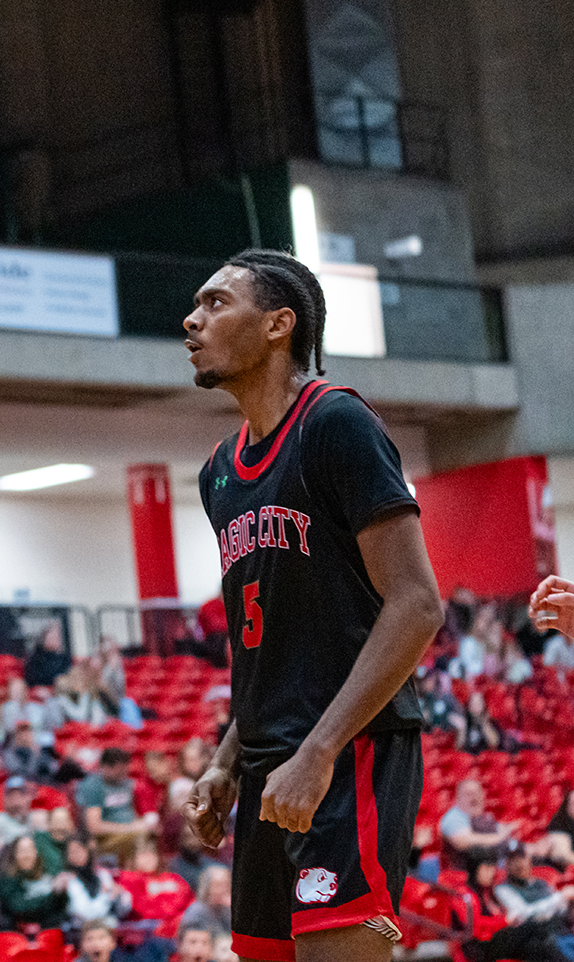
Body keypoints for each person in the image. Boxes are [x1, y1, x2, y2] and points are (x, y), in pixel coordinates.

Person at [181, 249, 447, 962]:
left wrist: (320, 750)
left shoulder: (335, 422)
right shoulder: (218, 472)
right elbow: (271, 646)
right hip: (270, 760)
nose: (192, 319)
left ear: (278, 324)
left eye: (215, 303)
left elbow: (418, 603)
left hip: (347, 750)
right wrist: (226, 762)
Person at [78, 748, 156, 862]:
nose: (123, 774)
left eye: (125, 770)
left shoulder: (126, 783)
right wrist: (127, 829)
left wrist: (145, 823)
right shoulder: (94, 786)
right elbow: (94, 826)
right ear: (105, 767)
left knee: (152, 832)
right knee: (138, 836)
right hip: (106, 838)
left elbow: (134, 811)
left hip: (129, 831)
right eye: (119, 771)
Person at [441, 778, 521, 869]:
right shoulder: (453, 817)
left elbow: (508, 840)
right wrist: (498, 838)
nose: (475, 798)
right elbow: (462, 841)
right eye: (469, 794)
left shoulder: (482, 818)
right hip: (462, 875)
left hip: (491, 871)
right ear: (458, 798)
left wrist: (532, 848)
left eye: (478, 793)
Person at [0, 833, 71, 929]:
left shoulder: (47, 877)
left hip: (47, 932)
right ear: (14, 854)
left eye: (30, 850)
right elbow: (19, 908)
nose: (27, 855)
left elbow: (60, 909)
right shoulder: (6, 881)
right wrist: (52, 893)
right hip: (17, 934)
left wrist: (60, 893)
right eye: (22, 851)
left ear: (36, 853)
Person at [25, 623, 74, 689]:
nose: (57, 639)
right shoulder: (36, 657)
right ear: (45, 637)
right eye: (54, 636)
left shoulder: (64, 658)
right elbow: (33, 679)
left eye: (58, 636)